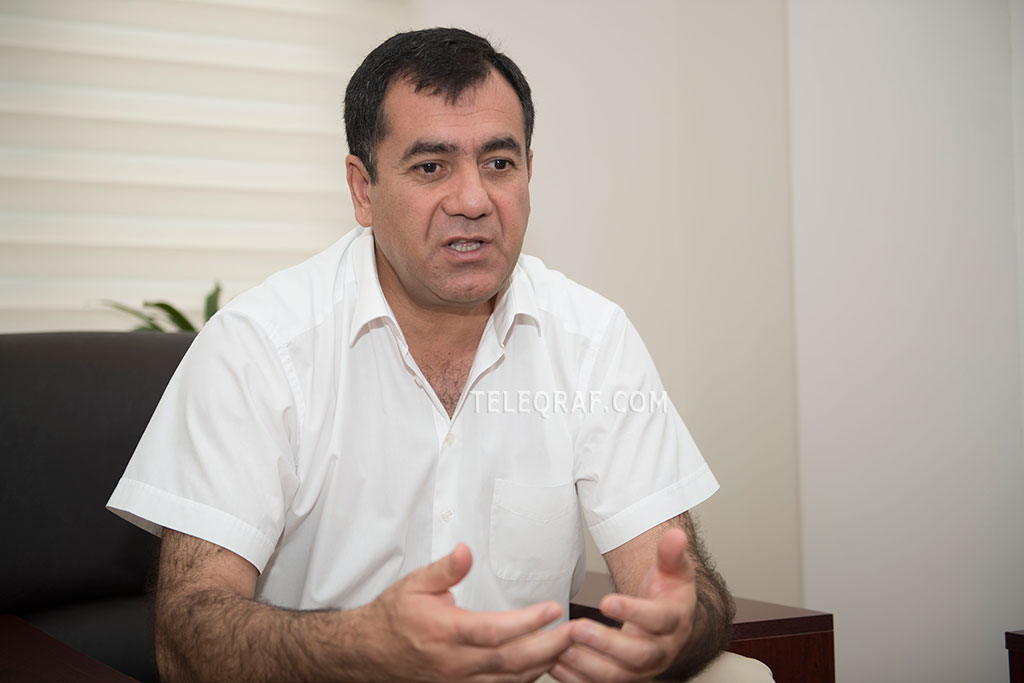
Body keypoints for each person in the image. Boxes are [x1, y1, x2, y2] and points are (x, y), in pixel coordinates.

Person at [108, 27, 773, 682]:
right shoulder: (258, 346)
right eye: (431, 167)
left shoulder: (592, 339)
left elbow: (686, 590)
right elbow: (186, 636)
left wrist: (675, 629)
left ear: (529, 172)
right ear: (363, 190)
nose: (474, 201)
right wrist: (360, 646)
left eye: (499, 164)